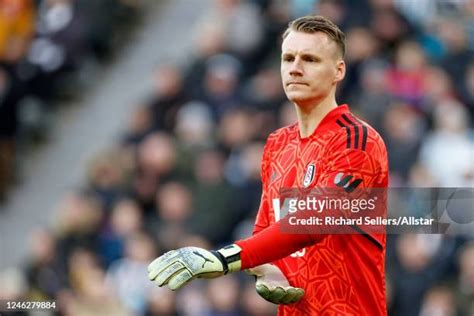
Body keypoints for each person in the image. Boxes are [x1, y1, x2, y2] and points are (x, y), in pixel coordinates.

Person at [148, 15, 389, 315]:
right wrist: (269, 271)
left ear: (338, 70)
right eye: (288, 58)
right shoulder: (278, 143)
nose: (295, 68)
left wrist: (222, 259)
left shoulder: (357, 140)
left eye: (310, 59)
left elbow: (313, 221)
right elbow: (266, 231)